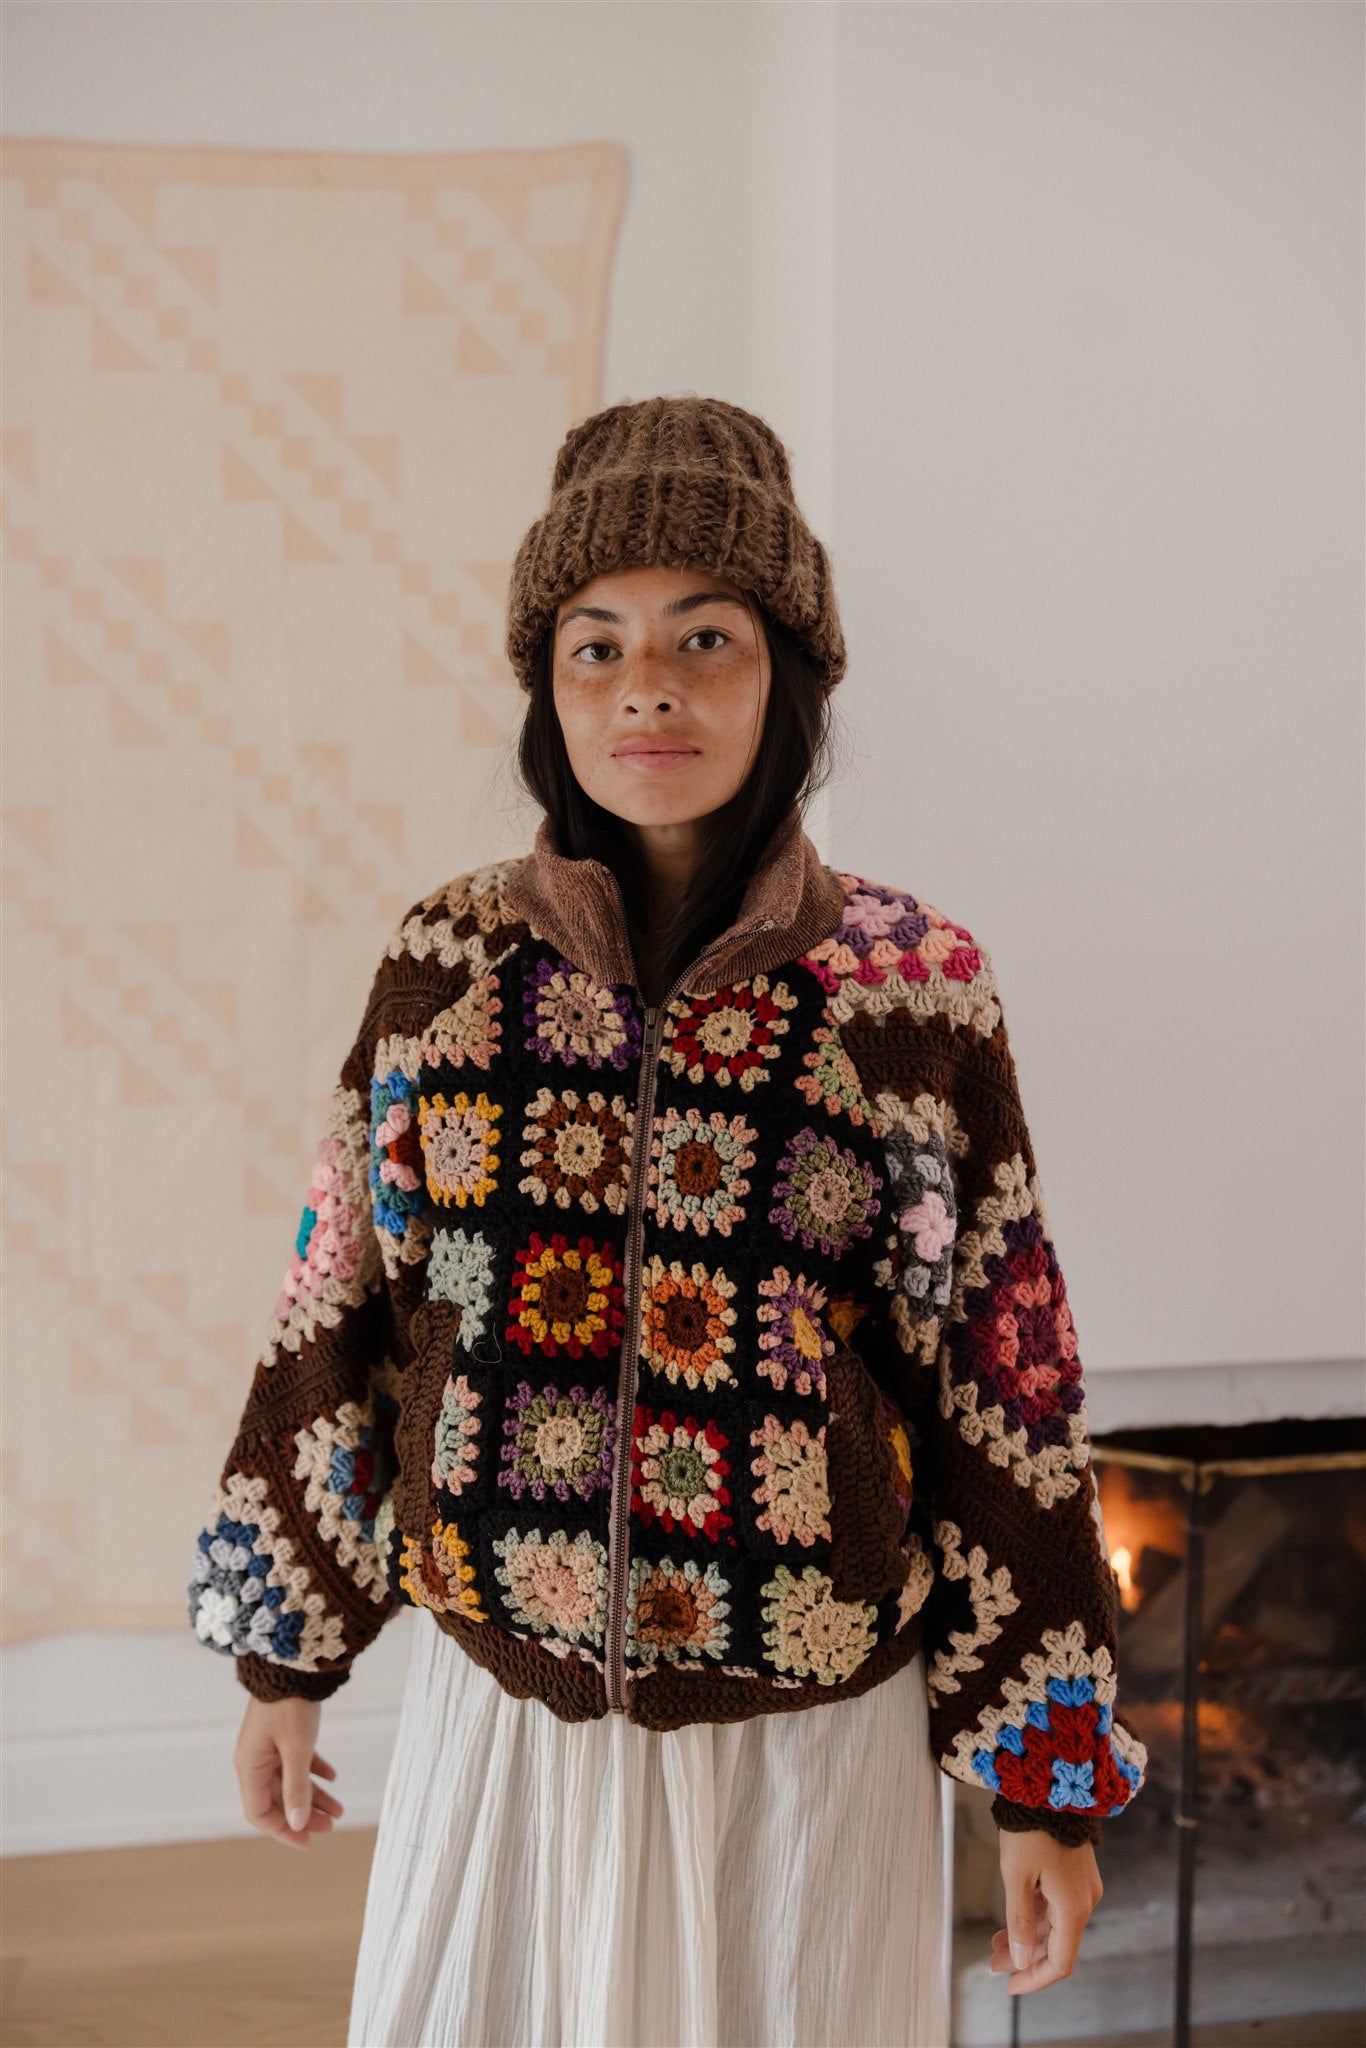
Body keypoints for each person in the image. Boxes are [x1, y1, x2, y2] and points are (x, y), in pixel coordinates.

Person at [191, 396, 1146, 2048]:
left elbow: (1001, 1381)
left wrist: (1040, 1784)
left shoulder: (909, 992)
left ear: (787, 677)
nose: (646, 687)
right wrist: (286, 1660)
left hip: (807, 1738)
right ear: (546, 689)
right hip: (509, 1721)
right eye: (596, 646)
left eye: (705, 638)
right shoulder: (447, 968)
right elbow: (341, 1306)